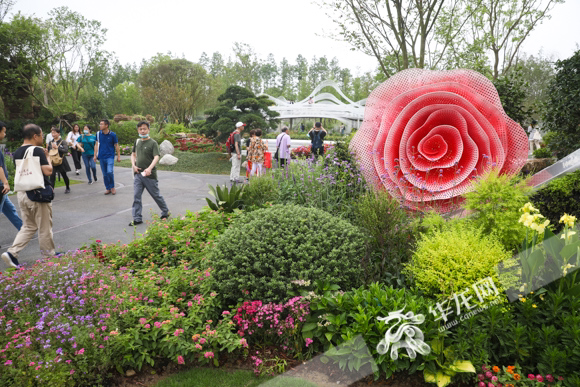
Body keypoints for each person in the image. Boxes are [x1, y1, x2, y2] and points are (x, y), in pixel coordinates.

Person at [2, 124, 55, 268]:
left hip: (23, 194)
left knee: (28, 226)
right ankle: (48, 258)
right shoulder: (37, 151)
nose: (43, 137)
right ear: (35, 136)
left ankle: (12, 253)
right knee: (44, 227)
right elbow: (48, 171)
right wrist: (48, 157)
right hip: (38, 194)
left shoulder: (18, 151)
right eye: (42, 135)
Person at [129, 121, 169, 226]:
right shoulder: (137, 142)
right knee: (136, 196)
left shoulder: (153, 143)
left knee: (156, 195)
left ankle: (165, 212)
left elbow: (156, 156)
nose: (142, 131)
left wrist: (149, 168)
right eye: (140, 129)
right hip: (138, 174)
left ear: (148, 130)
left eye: (144, 129)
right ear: (138, 130)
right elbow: (133, 155)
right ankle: (137, 218)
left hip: (149, 175)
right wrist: (133, 165)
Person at [0, 122, 23, 235]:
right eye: (4, 131)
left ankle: (23, 230)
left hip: (1, 185)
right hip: (1, 186)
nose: (5, 134)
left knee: (10, 209)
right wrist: (5, 183)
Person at [94, 119, 120, 195]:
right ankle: (107, 188)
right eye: (100, 124)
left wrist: (118, 156)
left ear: (106, 125)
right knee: (105, 174)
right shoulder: (98, 134)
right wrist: (95, 155)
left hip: (110, 156)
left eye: (102, 124)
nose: (100, 126)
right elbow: (96, 144)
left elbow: (116, 145)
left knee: (110, 171)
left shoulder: (113, 135)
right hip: (101, 156)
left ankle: (112, 187)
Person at [47, 127, 71, 194]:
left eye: (54, 133)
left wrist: (57, 148)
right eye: (52, 133)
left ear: (58, 133)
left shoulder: (62, 142)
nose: (53, 134)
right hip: (53, 161)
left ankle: (67, 187)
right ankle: (51, 191)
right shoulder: (50, 142)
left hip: (61, 161)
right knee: (52, 176)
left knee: (64, 175)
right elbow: (49, 151)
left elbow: (66, 150)